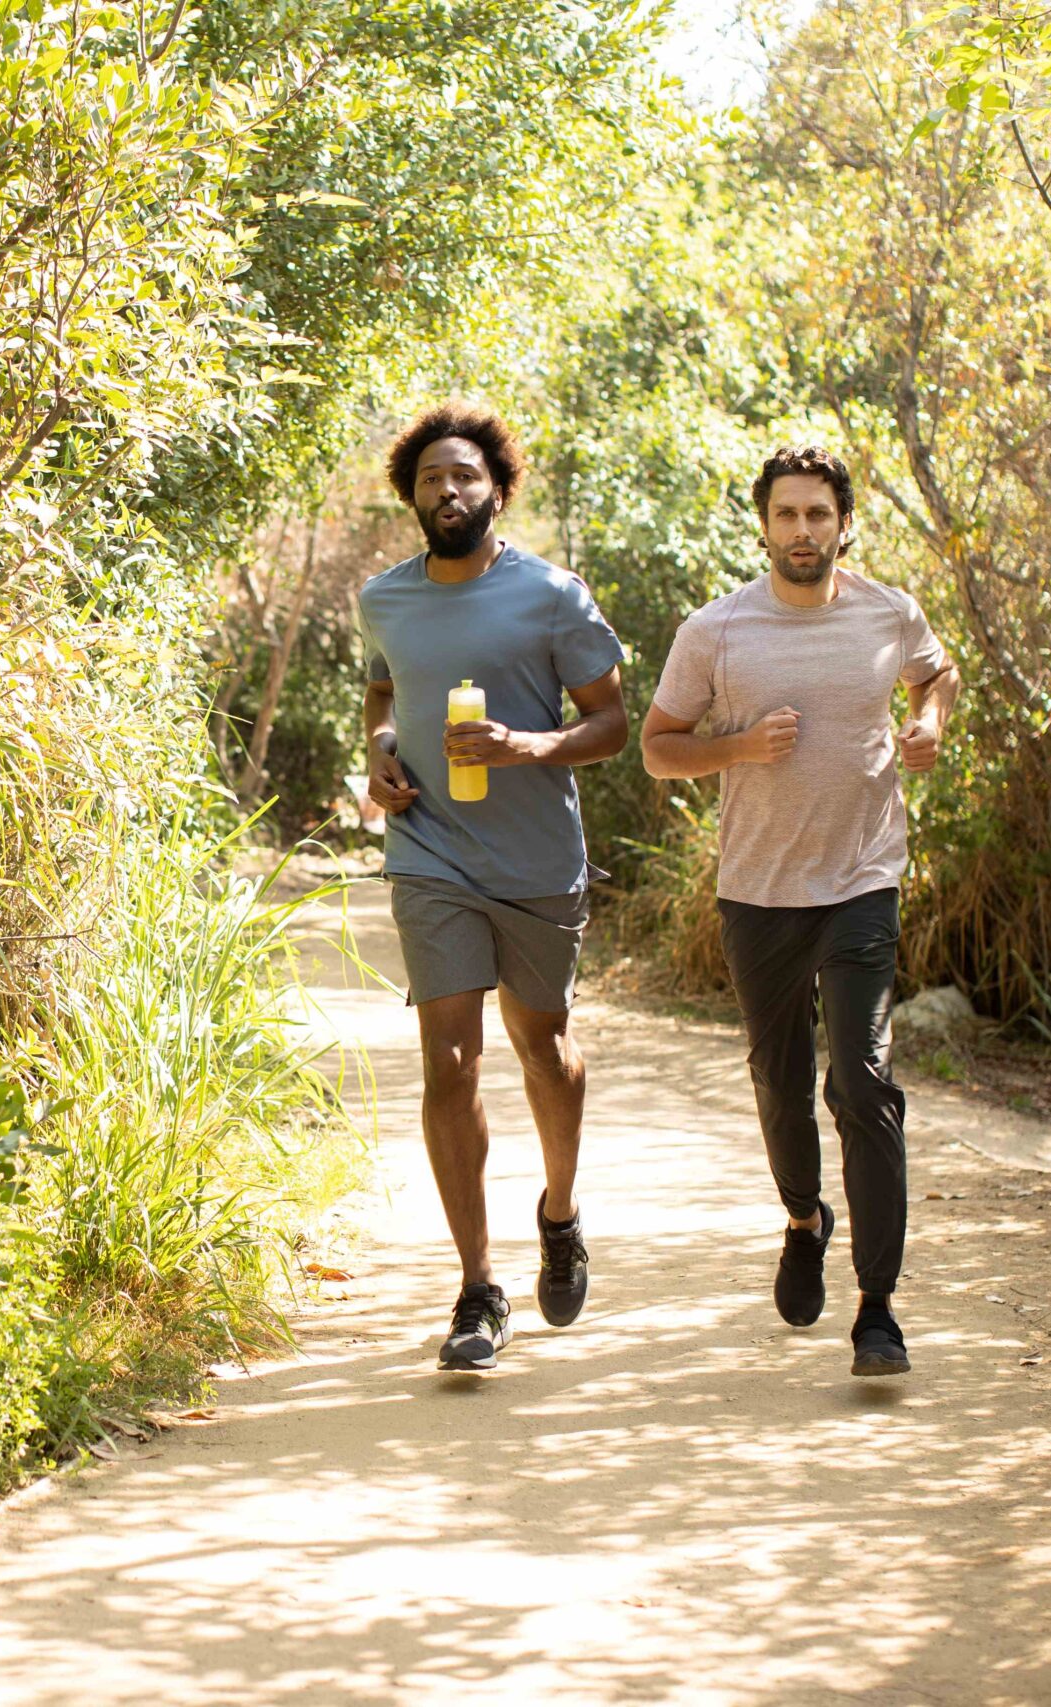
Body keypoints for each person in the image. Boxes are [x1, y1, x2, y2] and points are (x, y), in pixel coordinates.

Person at [639, 445, 962, 1378]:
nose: (803, 531)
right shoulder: (718, 631)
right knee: (781, 1083)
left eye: (818, 514)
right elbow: (660, 749)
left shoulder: (889, 612)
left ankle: (879, 1312)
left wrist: (932, 721)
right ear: (764, 526)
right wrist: (736, 746)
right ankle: (804, 1217)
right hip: (758, 891)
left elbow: (936, 674)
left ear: (844, 523)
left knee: (862, 1082)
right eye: (787, 515)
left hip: (862, 878)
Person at [356, 402, 629, 1371]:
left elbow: (611, 723)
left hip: (534, 859)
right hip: (430, 850)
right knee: (450, 1061)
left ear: (498, 490)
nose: (448, 491)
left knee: (544, 1048)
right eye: (431, 479)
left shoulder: (552, 596)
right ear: (412, 496)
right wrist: (380, 752)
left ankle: (558, 1212)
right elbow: (383, 688)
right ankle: (476, 1289)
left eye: (465, 476)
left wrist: (528, 746)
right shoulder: (384, 598)